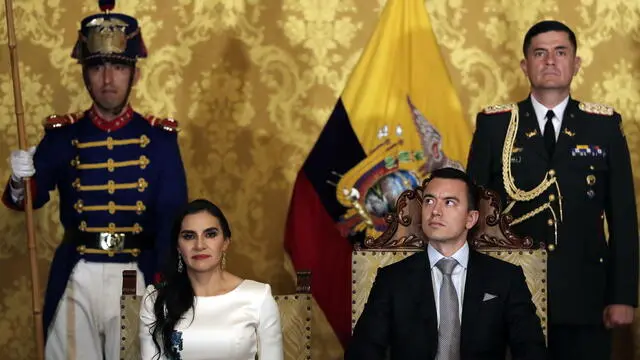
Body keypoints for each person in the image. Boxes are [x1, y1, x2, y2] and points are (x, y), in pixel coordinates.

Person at [2, 1, 188, 358]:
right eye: (97, 66)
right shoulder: (62, 135)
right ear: (84, 74)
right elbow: (26, 201)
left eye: (118, 67)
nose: (107, 79)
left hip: (140, 271)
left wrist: (168, 288)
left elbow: (173, 221)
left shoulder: (161, 140)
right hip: (78, 274)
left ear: (135, 74)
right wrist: (18, 178)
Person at [467, 20, 638, 360]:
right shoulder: (496, 124)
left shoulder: (603, 126)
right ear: (524, 65)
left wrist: (623, 295)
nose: (550, 61)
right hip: (509, 294)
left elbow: (623, 217)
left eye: (560, 52)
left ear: (575, 63)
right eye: (539, 53)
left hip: (584, 294)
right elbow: (475, 212)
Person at [345, 167, 546, 360]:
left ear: (470, 218)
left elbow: (531, 350)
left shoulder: (506, 278)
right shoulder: (392, 279)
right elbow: (363, 351)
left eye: (449, 202)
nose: (435, 211)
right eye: (429, 201)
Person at [139, 199, 283, 359]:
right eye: (189, 236)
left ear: (225, 243)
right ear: (178, 247)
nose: (199, 245)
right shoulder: (155, 299)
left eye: (210, 234)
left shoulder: (258, 297)